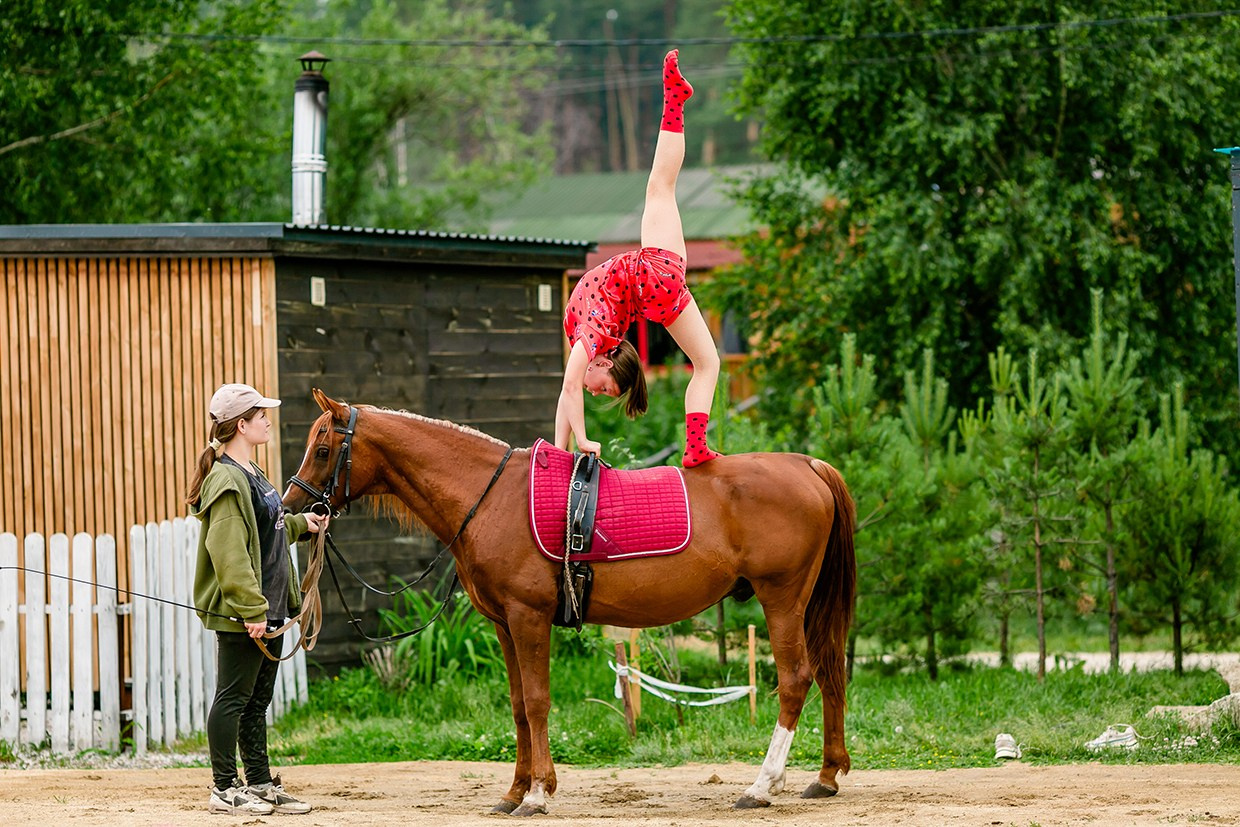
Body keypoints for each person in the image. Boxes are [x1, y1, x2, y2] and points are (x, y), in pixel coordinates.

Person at [555, 48, 723, 468]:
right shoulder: (594, 336)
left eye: (602, 391)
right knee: (660, 186)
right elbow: (570, 390)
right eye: (605, 389)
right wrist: (573, 447)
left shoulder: (589, 339)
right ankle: (674, 100)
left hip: (657, 290)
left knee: (708, 363)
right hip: (654, 279)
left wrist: (570, 448)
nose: (595, 391)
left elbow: (568, 391)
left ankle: (696, 447)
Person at [185, 382, 328, 815]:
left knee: (256, 703)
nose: (268, 420)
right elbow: (229, 552)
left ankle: (261, 783)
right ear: (241, 425)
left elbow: (268, 529)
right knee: (233, 698)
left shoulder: (253, 472)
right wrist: (251, 610)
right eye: (261, 415)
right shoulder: (226, 480)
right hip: (245, 614)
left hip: (271, 607)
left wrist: (304, 524)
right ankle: (224, 788)